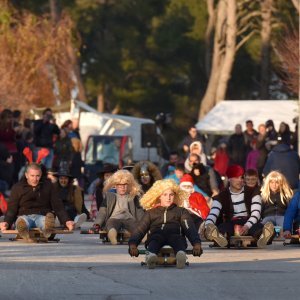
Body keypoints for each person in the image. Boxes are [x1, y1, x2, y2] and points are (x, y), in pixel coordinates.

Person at [128, 179, 202, 269]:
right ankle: (151, 256)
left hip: (175, 235)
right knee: (154, 240)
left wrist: (196, 243)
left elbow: (189, 227)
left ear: (175, 196)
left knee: (178, 240)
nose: (168, 198)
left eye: (171, 194)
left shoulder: (181, 211)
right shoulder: (150, 212)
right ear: (159, 196)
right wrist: (133, 244)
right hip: (156, 235)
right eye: (165, 195)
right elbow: (140, 229)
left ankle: (181, 256)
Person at [204, 165, 274, 248]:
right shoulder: (221, 196)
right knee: (223, 228)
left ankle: (263, 235)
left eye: (241, 178)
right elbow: (213, 214)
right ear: (229, 179)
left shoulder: (253, 192)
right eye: (236, 178)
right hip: (231, 223)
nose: (240, 180)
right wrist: (208, 225)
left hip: (249, 221)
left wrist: (246, 226)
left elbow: (256, 213)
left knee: (257, 228)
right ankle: (219, 237)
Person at [0, 163, 74, 239]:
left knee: (45, 221)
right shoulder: (18, 188)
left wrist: (67, 221)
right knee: (23, 221)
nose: (35, 179)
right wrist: (7, 223)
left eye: (37, 176)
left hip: (42, 216)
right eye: (32, 176)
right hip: (24, 215)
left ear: (41, 175)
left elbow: (58, 206)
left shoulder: (48, 186)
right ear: (26, 175)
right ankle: (22, 229)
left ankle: (47, 229)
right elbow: (12, 209)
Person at [92, 170, 143, 244]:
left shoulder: (133, 197)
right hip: (114, 217)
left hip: (129, 218)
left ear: (129, 185)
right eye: (120, 185)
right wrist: (97, 224)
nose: (122, 187)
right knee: (111, 224)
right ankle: (112, 235)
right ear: (115, 186)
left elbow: (139, 211)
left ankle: (142, 235)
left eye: (125, 184)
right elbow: (102, 211)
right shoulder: (109, 197)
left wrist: (145, 224)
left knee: (135, 226)